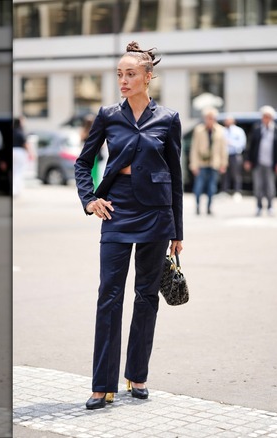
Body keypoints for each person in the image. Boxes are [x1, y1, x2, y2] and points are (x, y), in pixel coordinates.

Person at [74, 41, 183, 410]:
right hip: (117, 212)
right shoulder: (107, 115)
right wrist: (90, 199)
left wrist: (177, 232)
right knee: (109, 296)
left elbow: (176, 177)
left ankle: (137, 375)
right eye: (119, 74)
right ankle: (101, 385)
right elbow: (82, 162)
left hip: (156, 215)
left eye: (130, 73)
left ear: (148, 77)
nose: (123, 79)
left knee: (146, 297)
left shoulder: (168, 119)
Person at [244, 105, 277, 216]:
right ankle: (258, 206)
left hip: (271, 163)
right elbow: (250, 146)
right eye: (264, 116)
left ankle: (270, 206)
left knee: (270, 186)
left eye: (268, 116)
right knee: (258, 186)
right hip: (258, 162)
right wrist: (248, 160)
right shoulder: (257, 129)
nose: (266, 119)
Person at [190, 107, 227, 215]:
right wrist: (194, 165)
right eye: (208, 118)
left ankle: (209, 207)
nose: (210, 120)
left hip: (214, 163)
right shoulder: (199, 130)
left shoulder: (221, 130)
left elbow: (223, 149)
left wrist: (223, 164)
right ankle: (197, 206)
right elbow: (194, 148)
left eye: (212, 118)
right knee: (199, 187)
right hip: (201, 163)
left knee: (212, 187)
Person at [222, 116, 246, 201]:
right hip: (224, 155)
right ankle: (224, 191)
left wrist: (231, 143)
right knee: (224, 174)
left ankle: (237, 191)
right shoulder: (222, 130)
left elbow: (242, 144)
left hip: (235, 154)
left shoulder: (238, 131)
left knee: (236, 174)